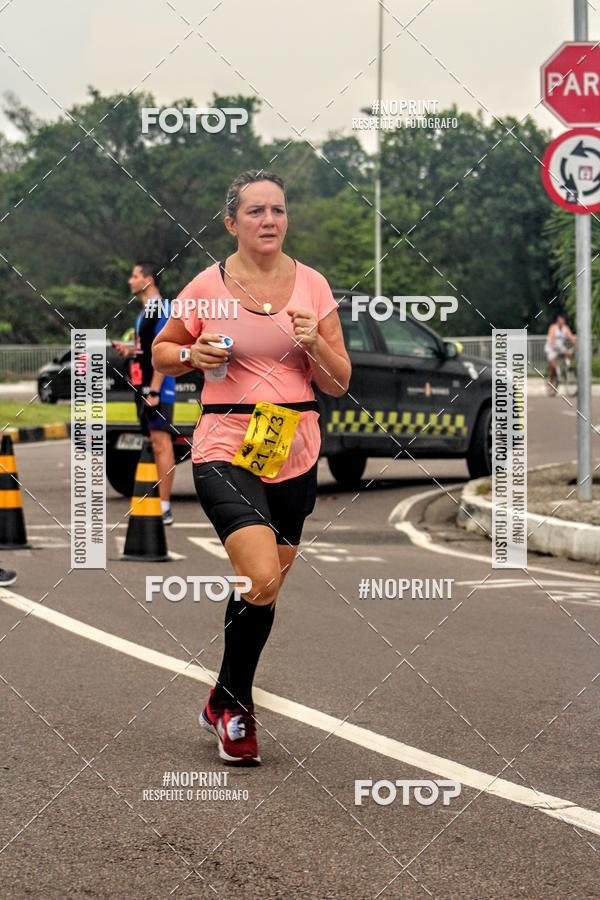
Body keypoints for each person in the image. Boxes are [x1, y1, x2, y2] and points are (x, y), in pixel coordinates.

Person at [153, 170, 351, 765]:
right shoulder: (205, 286)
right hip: (224, 442)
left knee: (261, 588)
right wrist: (190, 353)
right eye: (256, 210)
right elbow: (162, 352)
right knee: (260, 577)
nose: (270, 220)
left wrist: (316, 344)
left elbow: (338, 382)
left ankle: (223, 697)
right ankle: (238, 712)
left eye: (278, 210)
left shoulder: (313, 285)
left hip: (294, 445)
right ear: (231, 223)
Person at [113, 261, 177, 524]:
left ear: (148, 280)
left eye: (135, 275)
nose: (130, 280)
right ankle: (152, 501)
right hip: (143, 386)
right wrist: (129, 350)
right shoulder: (144, 313)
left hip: (159, 387)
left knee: (161, 443)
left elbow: (164, 351)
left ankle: (164, 507)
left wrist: (155, 390)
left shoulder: (162, 309)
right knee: (152, 441)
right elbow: (146, 348)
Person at [545, 313, 576, 391]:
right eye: (559, 321)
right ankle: (551, 380)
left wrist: (576, 346)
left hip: (560, 347)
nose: (561, 323)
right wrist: (554, 346)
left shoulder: (566, 328)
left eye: (562, 321)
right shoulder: (553, 327)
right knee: (553, 366)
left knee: (569, 354)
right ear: (557, 321)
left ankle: (567, 369)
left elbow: (571, 338)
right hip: (551, 348)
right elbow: (551, 338)